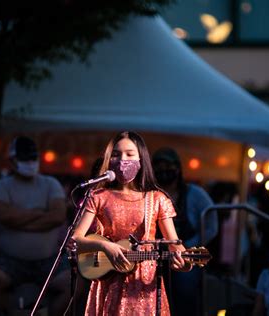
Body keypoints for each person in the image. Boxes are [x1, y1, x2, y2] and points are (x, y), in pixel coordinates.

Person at [72, 131, 193, 316]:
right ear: (108, 159)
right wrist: (105, 246)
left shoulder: (157, 199)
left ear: (141, 159)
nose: (122, 160)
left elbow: (174, 245)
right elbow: (76, 239)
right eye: (116, 154)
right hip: (107, 283)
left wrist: (184, 263)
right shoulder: (98, 196)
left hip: (144, 287)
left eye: (129, 154)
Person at [0, 136, 70, 315]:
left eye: (33, 158)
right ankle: (12, 313)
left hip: (49, 259)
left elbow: (57, 216)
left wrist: (19, 219)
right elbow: (4, 216)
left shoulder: (51, 184)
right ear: (12, 160)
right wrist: (41, 214)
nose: (30, 163)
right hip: (9, 258)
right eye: (25, 159)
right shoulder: (0, 186)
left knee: (73, 281)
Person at [151, 147, 217, 315]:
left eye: (167, 165)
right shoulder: (150, 195)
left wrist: (192, 245)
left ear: (178, 168)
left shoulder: (195, 194)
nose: (163, 170)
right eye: (158, 166)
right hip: (154, 257)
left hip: (186, 254)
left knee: (185, 294)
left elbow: (212, 222)